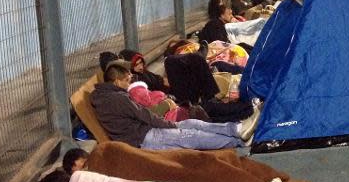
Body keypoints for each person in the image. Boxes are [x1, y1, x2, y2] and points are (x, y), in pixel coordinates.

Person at [91, 62, 255, 149]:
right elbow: (144, 115)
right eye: (126, 81)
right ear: (116, 81)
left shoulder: (105, 96)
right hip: (143, 138)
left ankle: (236, 130)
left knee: (192, 124)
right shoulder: (117, 99)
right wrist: (169, 124)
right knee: (192, 137)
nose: (129, 84)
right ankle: (238, 142)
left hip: (144, 131)